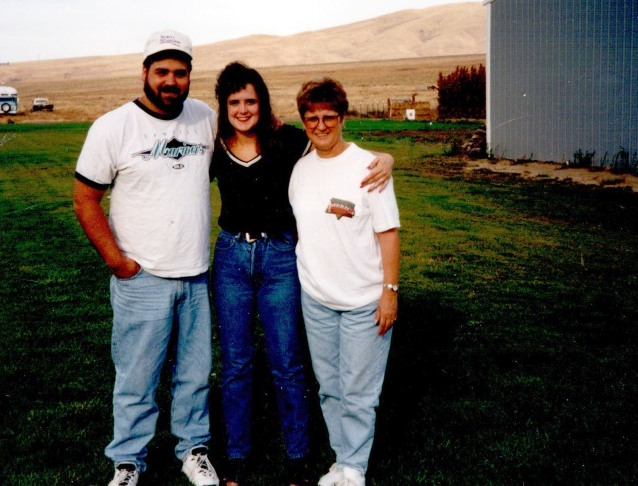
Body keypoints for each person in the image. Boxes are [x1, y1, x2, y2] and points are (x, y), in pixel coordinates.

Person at [210, 63, 394, 486]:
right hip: (231, 257)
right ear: (224, 106)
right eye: (234, 102)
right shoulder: (214, 145)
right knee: (236, 362)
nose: (243, 109)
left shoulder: (289, 142)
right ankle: (236, 455)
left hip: (279, 257)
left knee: (287, 363)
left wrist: (387, 157)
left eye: (250, 101)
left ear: (263, 103)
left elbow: (339, 155)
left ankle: (299, 456)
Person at [73, 30, 220, 486]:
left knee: (194, 375)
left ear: (190, 76)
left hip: (196, 275)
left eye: (180, 72)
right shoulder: (114, 127)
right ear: (145, 73)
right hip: (143, 277)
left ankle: (193, 450)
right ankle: (128, 461)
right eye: (162, 71)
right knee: (136, 379)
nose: (171, 80)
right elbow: (84, 199)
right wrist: (119, 263)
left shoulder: (205, 119)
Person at [288, 79, 400, 486]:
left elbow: (388, 233)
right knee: (330, 388)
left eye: (328, 117)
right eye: (312, 117)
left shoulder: (369, 167)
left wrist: (389, 292)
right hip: (316, 299)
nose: (320, 125)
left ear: (343, 118)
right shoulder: (300, 169)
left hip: (363, 300)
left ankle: (355, 467)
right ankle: (343, 460)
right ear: (303, 121)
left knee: (358, 391)